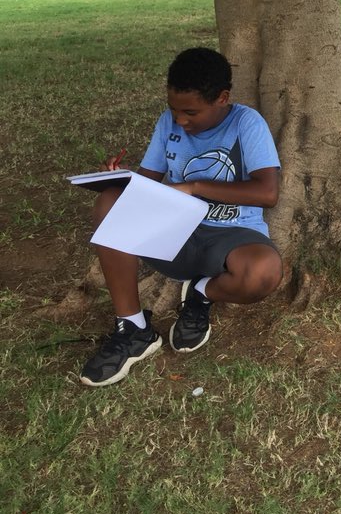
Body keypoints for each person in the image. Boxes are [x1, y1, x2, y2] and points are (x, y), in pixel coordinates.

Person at [80, 47, 282, 387]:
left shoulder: (247, 123)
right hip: (176, 232)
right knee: (110, 202)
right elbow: (148, 181)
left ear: (222, 98)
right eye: (174, 110)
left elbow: (267, 192)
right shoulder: (168, 122)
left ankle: (202, 292)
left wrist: (194, 186)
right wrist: (118, 179)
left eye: (191, 112)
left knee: (263, 273)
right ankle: (133, 329)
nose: (180, 121)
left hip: (232, 235)